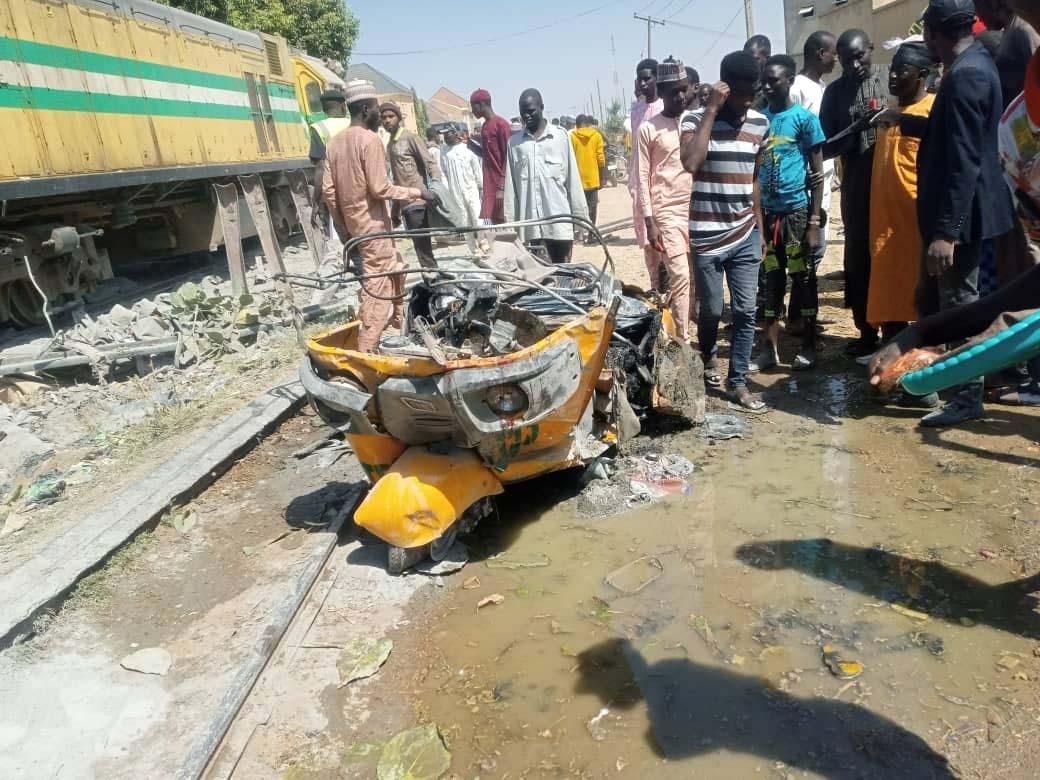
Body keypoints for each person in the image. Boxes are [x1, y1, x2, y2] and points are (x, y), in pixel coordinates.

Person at [874, 0, 1015, 426]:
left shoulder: (968, 75)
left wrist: (945, 234)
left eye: (926, 36)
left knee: (959, 308)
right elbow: (951, 132)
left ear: (936, 33)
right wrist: (904, 120)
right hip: (952, 215)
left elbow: (964, 159)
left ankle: (967, 397)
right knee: (934, 302)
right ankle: (927, 384)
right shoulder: (972, 64)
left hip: (961, 219)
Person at [681, 51, 770, 412]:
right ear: (724, 89)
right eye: (742, 94)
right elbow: (691, 162)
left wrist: (760, 230)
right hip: (707, 234)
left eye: (754, 93)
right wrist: (711, 112)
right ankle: (707, 359)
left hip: (746, 231)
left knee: (747, 311)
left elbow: (753, 181)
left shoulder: (761, 124)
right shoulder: (694, 119)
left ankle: (737, 383)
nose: (748, 101)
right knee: (713, 309)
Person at [321, 80, 438, 352]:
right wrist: (418, 194)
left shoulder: (334, 144)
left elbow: (328, 191)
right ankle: (366, 349)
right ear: (365, 109)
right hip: (373, 228)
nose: (379, 116)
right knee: (378, 287)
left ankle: (399, 321)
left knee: (397, 265)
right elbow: (379, 187)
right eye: (375, 109)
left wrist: (343, 225)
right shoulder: (369, 140)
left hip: (355, 227)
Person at [750, 54, 826, 373]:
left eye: (774, 80)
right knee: (771, 282)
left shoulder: (804, 120)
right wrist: (759, 227)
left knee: (802, 278)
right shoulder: (759, 121)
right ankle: (769, 348)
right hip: (769, 220)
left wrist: (812, 222)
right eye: (764, 80)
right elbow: (753, 175)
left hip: (795, 218)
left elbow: (818, 174)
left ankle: (808, 346)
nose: (767, 86)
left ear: (790, 81)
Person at [820, 28, 886, 358]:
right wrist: (854, 130)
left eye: (859, 57)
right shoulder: (834, 93)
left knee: (889, 256)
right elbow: (824, 146)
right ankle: (865, 331)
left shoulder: (891, 81)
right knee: (859, 261)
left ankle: (896, 330)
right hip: (857, 189)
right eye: (846, 61)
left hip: (891, 188)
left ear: (870, 49)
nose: (854, 66)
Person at [866, 42, 936, 351]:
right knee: (889, 297)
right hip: (885, 228)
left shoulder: (933, 111)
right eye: (891, 70)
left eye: (901, 70)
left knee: (925, 300)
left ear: (921, 75)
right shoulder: (887, 115)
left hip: (918, 226)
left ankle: (927, 367)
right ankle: (891, 365)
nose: (893, 76)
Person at [637, 58, 693, 340]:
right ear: (662, 92)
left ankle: (678, 329)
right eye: (674, 91)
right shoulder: (649, 129)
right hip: (666, 212)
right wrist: (650, 222)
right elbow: (642, 178)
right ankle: (682, 340)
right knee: (680, 275)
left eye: (684, 90)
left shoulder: (694, 122)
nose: (681, 96)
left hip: (696, 210)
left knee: (692, 277)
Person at [787, 31, 837, 334]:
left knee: (816, 248)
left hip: (825, 180)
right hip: (806, 183)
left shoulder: (822, 88)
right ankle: (798, 316)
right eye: (833, 53)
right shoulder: (798, 89)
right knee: (806, 248)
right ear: (820, 53)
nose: (836, 59)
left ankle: (800, 313)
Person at [504, 88, 589, 262]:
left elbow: (573, 182)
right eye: (522, 113)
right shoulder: (515, 144)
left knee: (563, 277)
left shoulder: (560, 137)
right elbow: (511, 190)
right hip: (531, 228)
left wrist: (581, 220)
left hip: (559, 226)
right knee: (540, 281)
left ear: (542, 107)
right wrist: (510, 226)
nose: (526, 116)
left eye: (531, 111)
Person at [381, 102, 441, 270]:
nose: (387, 121)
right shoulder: (390, 145)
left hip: (418, 202)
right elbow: (395, 180)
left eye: (390, 117)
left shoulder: (410, 138)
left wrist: (435, 189)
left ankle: (434, 283)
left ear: (399, 118)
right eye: (384, 118)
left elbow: (430, 164)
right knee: (421, 250)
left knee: (424, 250)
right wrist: (394, 209)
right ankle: (433, 282)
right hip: (405, 204)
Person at [976, 0, 1040, 108]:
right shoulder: (1010, 28)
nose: (979, 17)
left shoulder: (1023, 29)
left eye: (978, 8)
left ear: (992, 3)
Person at [631, 59, 664, 254]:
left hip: (660, 181)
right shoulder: (636, 109)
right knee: (646, 240)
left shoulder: (665, 108)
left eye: (647, 79)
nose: (643, 84)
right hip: (639, 181)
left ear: (657, 79)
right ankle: (655, 283)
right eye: (639, 80)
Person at [441, 123, 487, 254]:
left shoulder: (467, 149)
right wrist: (447, 189)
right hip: (455, 191)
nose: (445, 137)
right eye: (444, 135)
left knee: (477, 216)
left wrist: (481, 185)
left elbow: (476, 169)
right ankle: (473, 250)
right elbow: (443, 172)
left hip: (471, 188)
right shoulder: (444, 152)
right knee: (464, 219)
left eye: (448, 134)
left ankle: (482, 241)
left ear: (456, 134)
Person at [470, 88, 512, 224]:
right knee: (496, 228)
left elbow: (508, 157)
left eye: (473, 106)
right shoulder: (485, 127)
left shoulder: (501, 125)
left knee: (507, 226)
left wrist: (501, 187)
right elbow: (488, 156)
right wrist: (473, 147)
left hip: (501, 188)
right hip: (490, 187)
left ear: (482, 104)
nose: (472, 111)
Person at [571, 114, 606, 242]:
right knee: (592, 206)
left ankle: (579, 235)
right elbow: (600, 158)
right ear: (588, 124)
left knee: (578, 207)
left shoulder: (572, 137)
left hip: (577, 179)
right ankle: (591, 234)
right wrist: (602, 177)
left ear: (577, 125)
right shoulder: (596, 136)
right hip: (593, 177)